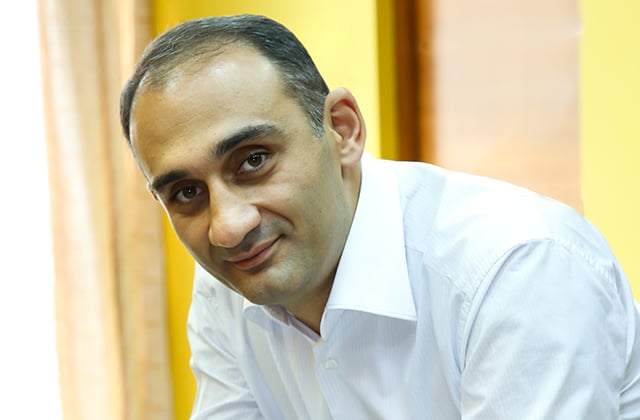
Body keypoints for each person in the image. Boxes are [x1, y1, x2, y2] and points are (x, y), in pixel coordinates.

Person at [120, 14, 640, 419]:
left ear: (341, 130)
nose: (229, 226)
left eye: (254, 160)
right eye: (186, 192)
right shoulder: (232, 283)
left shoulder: (518, 268)